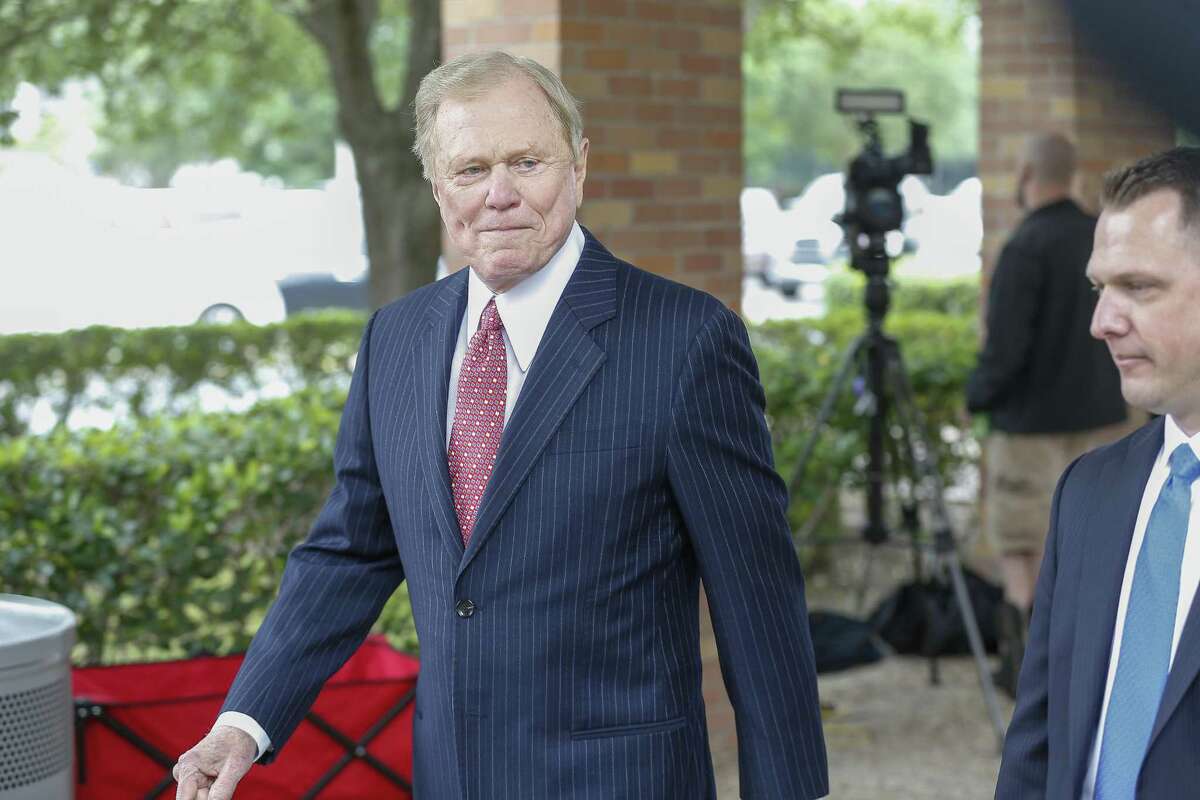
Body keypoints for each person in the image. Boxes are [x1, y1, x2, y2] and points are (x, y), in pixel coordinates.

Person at [172, 51, 829, 800]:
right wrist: (244, 722)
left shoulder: (685, 342)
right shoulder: (396, 336)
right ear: (436, 185)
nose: (500, 195)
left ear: (579, 166)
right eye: (471, 169)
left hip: (620, 781)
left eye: (527, 161)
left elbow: (758, 602)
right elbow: (349, 550)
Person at [995, 146, 1200, 798]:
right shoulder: (1089, 491)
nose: (1102, 322)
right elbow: (1039, 735)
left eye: (1139, 287)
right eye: (1099, 288)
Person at [966, 133, 1130, 693]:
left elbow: (1005, 348)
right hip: (1104, 421)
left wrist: (977, 396)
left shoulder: (1025, 247)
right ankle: (1088, 665)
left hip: (1031, 429)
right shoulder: (1101, 237)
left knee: (1022, 548)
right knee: (1093, 542)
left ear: (1026, 175)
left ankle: (1026, 672)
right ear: (1075, 175)